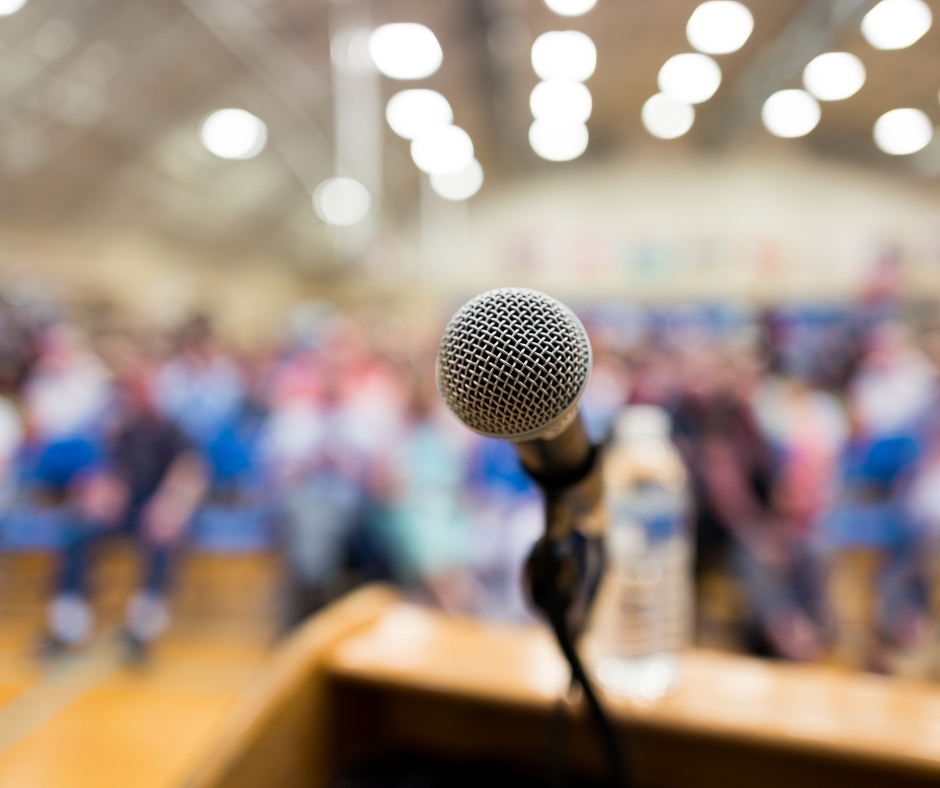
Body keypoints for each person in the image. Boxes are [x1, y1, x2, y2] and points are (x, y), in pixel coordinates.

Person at [42, 356, 207, 663]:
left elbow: (191, 473)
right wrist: (101, 498)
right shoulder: (125, 432)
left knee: (161, 542)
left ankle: (142, 631)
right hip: (128, 509)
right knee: (78, 531)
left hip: (161, 510)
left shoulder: (176, 432)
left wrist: (169, 507)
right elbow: (113, 475)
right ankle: (68, 627)